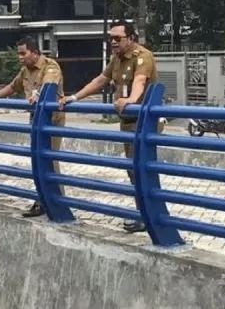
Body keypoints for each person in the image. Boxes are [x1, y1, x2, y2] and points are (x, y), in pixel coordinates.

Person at [58, 20, 162, 234]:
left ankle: (152, 216)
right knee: (134, 170)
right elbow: (100, 80)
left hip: (144, 121)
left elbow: (140, 81)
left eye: (117, 38)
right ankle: (147, 214)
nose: (113, 42)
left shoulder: (143, 56)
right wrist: (75, 97)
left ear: (130, 38)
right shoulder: (116, 59)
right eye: (111, 38)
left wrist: (131, 101)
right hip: (128, 122)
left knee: (142, 169)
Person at [0, 36, 65, 218]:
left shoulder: (50, 66)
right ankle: (41, 200)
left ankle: (58, 202)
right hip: (35, 120)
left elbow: (49, 84)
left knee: (50, 160)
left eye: (23, 53)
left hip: (52, 121)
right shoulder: (25, 70)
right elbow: (13, 86)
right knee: (37, 161)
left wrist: (38, 95)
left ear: (34, 52)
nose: (20, 57)